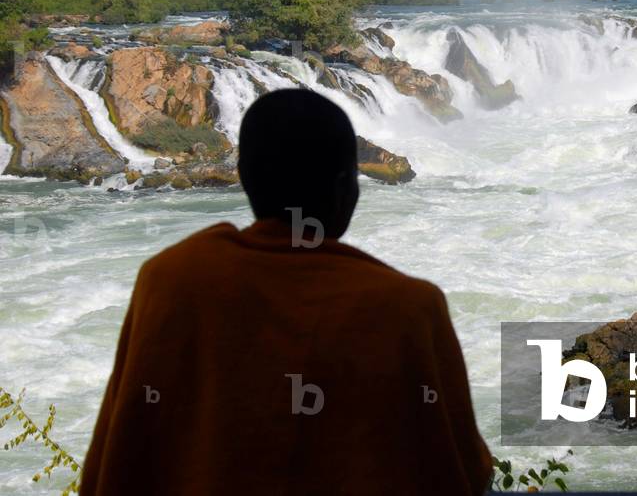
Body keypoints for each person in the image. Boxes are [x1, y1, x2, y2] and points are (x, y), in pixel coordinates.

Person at [80, 89, 492, 495]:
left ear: (243, 176)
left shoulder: (170, 281)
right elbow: (462, 472)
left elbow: (117, 462)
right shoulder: (408, 308)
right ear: (345, 186)